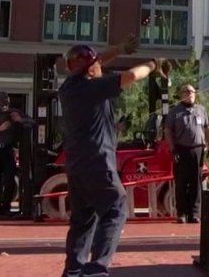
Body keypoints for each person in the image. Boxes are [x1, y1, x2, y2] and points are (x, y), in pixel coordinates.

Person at [59, 35, 161, 277]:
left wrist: (120, 47)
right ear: (91, 69)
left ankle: (73, 270)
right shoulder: (94, 87)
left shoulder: (68, 87)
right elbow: (132, 76)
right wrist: (154, 65)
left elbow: (96, 60)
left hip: (76, 166)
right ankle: (96, 269)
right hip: (98, 162)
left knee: (82, 220)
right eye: (97, 64)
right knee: (116, 209)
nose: (100, 66)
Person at [163, 84, 209, 224]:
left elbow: (208, 128)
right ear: (182, 94)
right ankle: (182, 213)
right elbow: (167, 131)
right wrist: (172, 149)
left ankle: (195, 213)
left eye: (193, 92)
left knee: (196, 183)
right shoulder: (175, 112)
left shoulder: (201, 110)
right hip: (181, 150)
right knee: (181, 182)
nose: (191, 94)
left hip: (197, 150)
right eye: (188, 91)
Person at [0, 91, 33, 216]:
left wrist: (19, 119)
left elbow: (33, 122)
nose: (5, 103)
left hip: (8, 149)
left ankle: (6, 206)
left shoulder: (13, 112)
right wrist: (0, 128)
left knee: (10, 179)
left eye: (6, 101)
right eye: (2, 100)